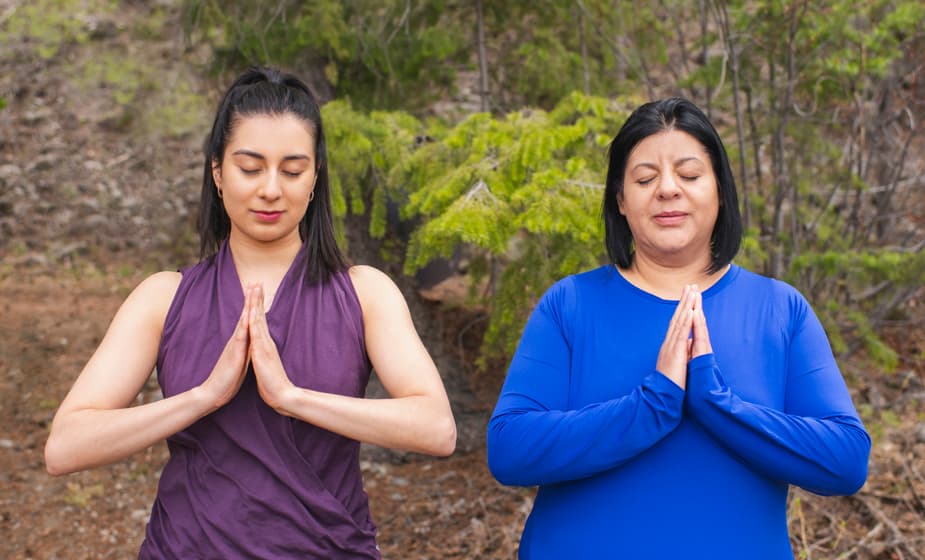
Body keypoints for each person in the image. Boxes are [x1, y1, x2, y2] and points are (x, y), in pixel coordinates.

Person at [45, 66, 457, 558]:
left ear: (315, 177)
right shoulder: (163, 297)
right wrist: (202, 397)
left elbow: (436, 428)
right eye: (250, 167)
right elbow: (65, 446)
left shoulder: (366, 293)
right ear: (218, 172)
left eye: (292, 170)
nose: (270, 189)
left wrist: (291, 397)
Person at [486, 97, 870, 559]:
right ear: (621, 200)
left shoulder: (778, 309)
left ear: (720, 191)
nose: (667, 189)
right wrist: (652, 405)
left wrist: (717, 405)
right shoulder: (571, 304)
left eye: (689, 175)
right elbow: (509, 449)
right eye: (645, 178)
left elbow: (846, 460)